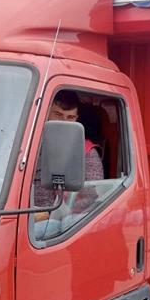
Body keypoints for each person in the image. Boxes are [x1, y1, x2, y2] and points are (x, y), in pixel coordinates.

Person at [33, 90, 104, 227]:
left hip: (61, 225)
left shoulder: (87, 152)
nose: (64, 122)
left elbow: (92, 197)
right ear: (46, 113)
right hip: (23, 214)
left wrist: (57, 212)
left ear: (77, 118)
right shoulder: (29, 145)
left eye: (70, 117)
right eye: (58, 114)